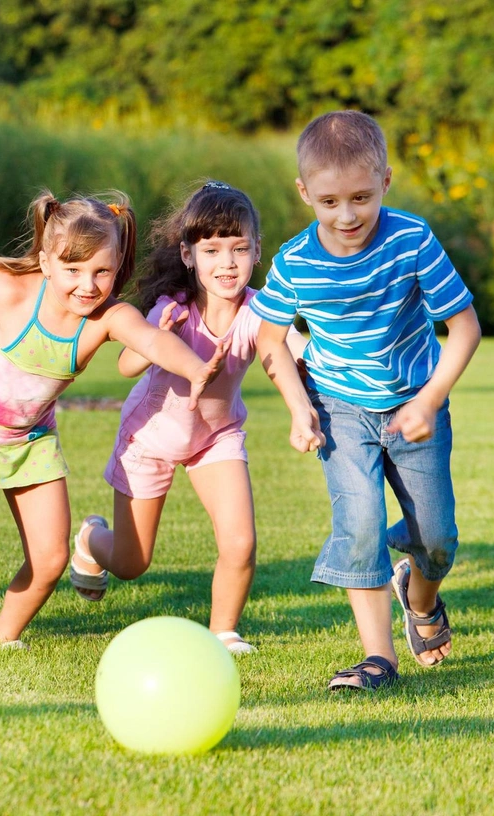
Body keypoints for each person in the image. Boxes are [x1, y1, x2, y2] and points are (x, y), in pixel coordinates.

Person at [0, 157, 226, 648]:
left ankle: (1, 638)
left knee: (49, 559)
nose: (87, 285)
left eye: (102, 272)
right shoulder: (11, 291)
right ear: (47, 262)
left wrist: (196, 368)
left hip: (30, 440)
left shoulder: (106, 319)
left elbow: (152, 341)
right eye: (72, 269)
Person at [250, 110, 481, 691]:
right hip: (340, 410)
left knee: (437, 537)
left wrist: (430, 401)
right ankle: (379, 658)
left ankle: (420, 597)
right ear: (305, 193)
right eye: (329, 202)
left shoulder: (411, 240)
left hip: (414, 405)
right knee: (358, 524)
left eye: (360, 197)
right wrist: (300, 407)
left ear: (385, 182)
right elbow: (269, 338)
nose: (346, 215)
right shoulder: (295, 262)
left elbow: (465, 326)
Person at [70, 181, 307, 655]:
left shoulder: (260, 310)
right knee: (131, 563)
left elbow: (289, 352)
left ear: (257, 251)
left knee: (240, 542)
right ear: (187, 254)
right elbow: (126, 365)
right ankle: (90, 539)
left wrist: (311, 393)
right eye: (213, 250)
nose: (227, 263)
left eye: (239, 249)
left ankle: (224, 632)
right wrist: (155, 336)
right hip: (150, 438)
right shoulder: (172, 309)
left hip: (215, 438)